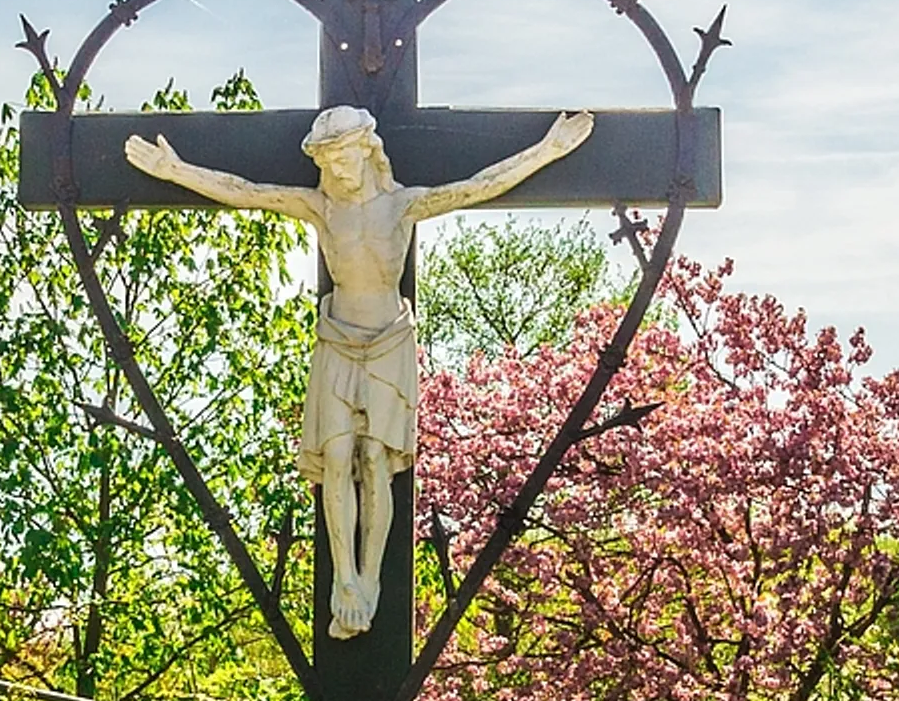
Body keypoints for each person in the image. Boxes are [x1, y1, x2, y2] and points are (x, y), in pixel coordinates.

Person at [126, 105, 592, 635]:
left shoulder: (403, 206)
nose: (338, 175)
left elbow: (478, 186)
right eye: (329, 165)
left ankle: (369, 578)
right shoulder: (321, 207)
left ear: (367, 153)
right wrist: (176, 171)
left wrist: (548, 150)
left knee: (375, 461)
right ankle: (342, 578)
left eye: (345, 162)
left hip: (390, 340)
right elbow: (247, 190)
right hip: (338, 340)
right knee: (336, 456)